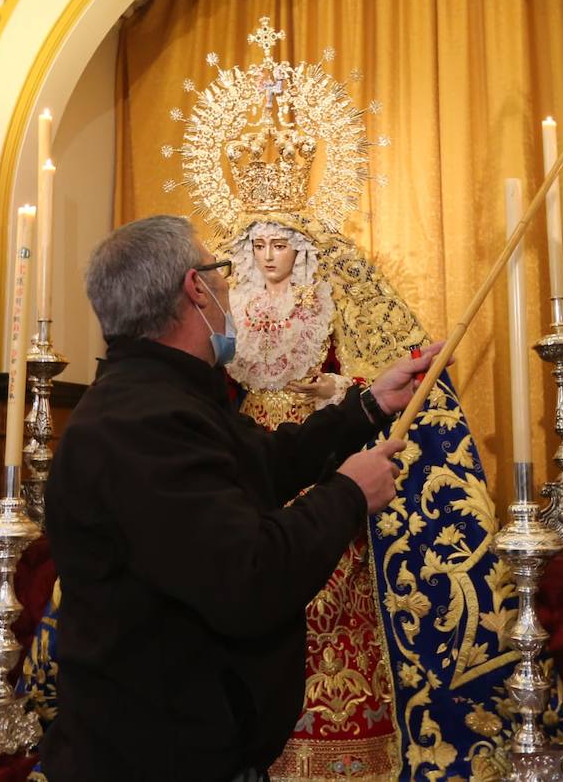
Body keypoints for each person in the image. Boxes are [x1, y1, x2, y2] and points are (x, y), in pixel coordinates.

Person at [39, 214, 440, 782]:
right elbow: (248, 576)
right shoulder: (138, 422)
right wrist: (350, 494)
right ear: (195, 289)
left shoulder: (167, 396)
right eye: (220, 270)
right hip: (155, 756)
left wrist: (368, 405)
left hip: (187, 742)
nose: (231, 283)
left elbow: (263, 463)